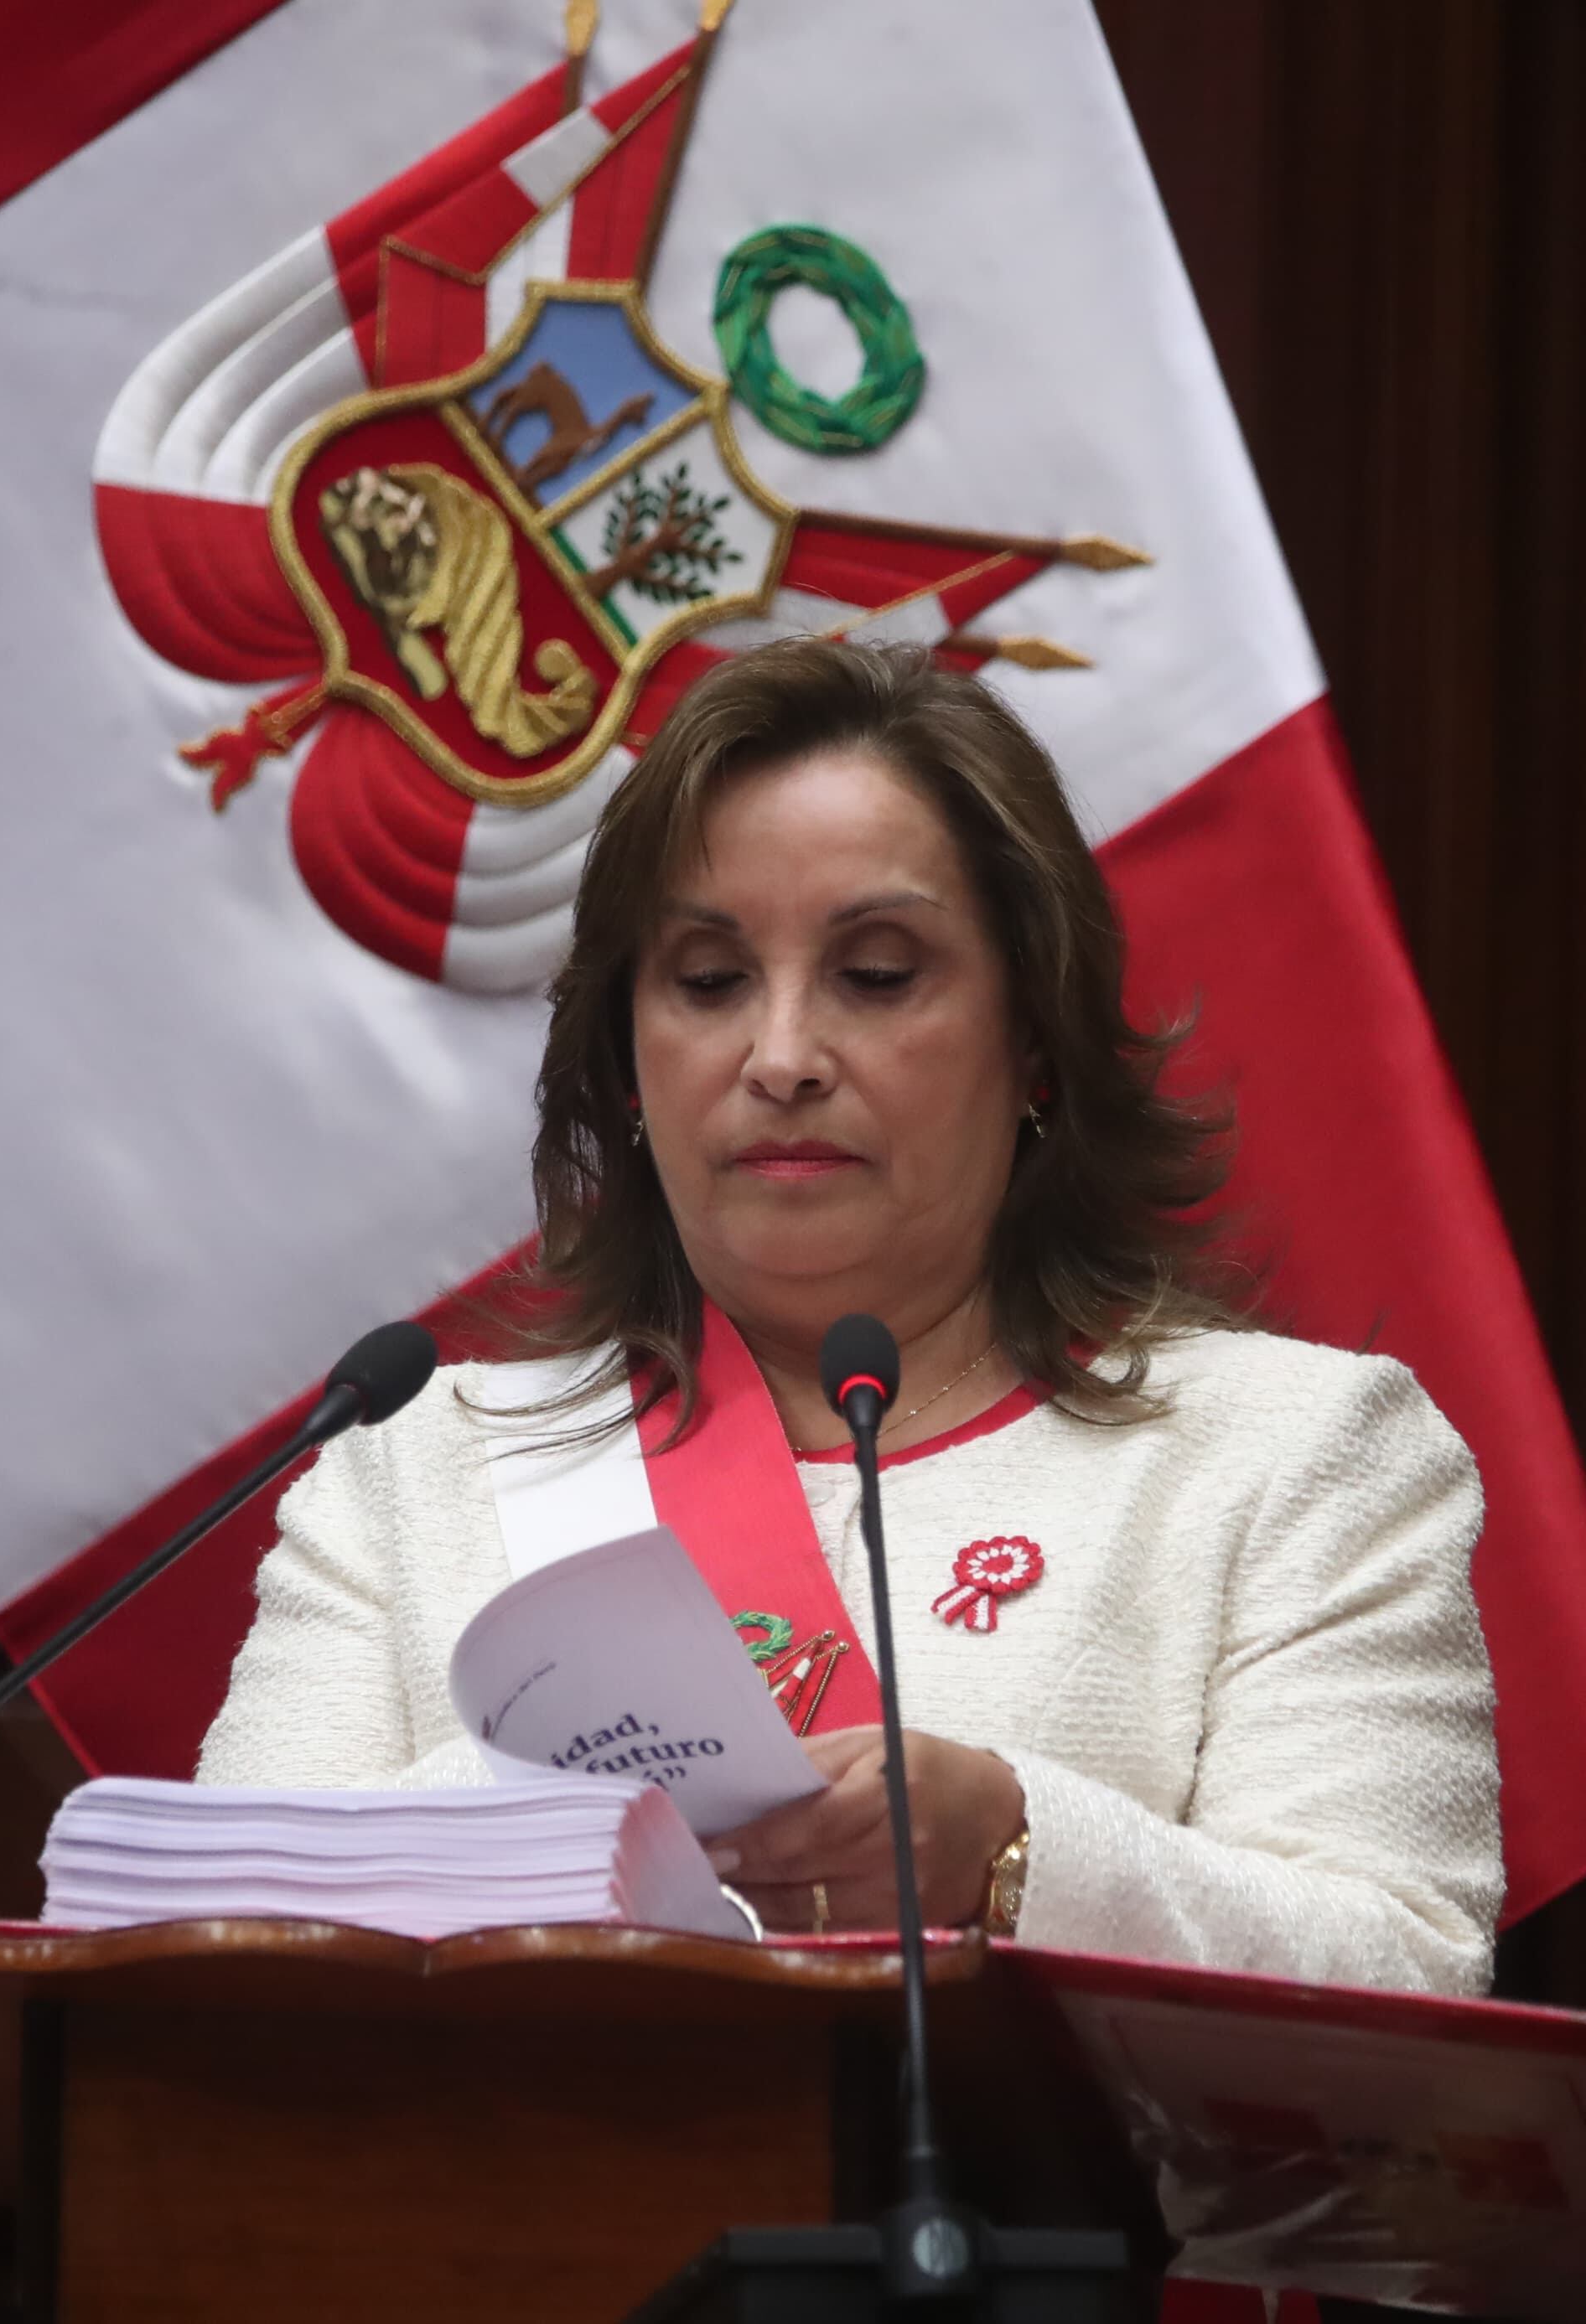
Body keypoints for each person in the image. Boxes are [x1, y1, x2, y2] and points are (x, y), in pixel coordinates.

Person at [196, 639, 1500, 1994]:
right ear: (627, 1062)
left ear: (1035, 1038)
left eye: (876, 974)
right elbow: (210, 1962)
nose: (781, 1059)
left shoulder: (1299, 1453)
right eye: (709, 980)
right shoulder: (412, 1473)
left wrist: (1012, 1852)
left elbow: (1406, 1982)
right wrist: (570, 1818)